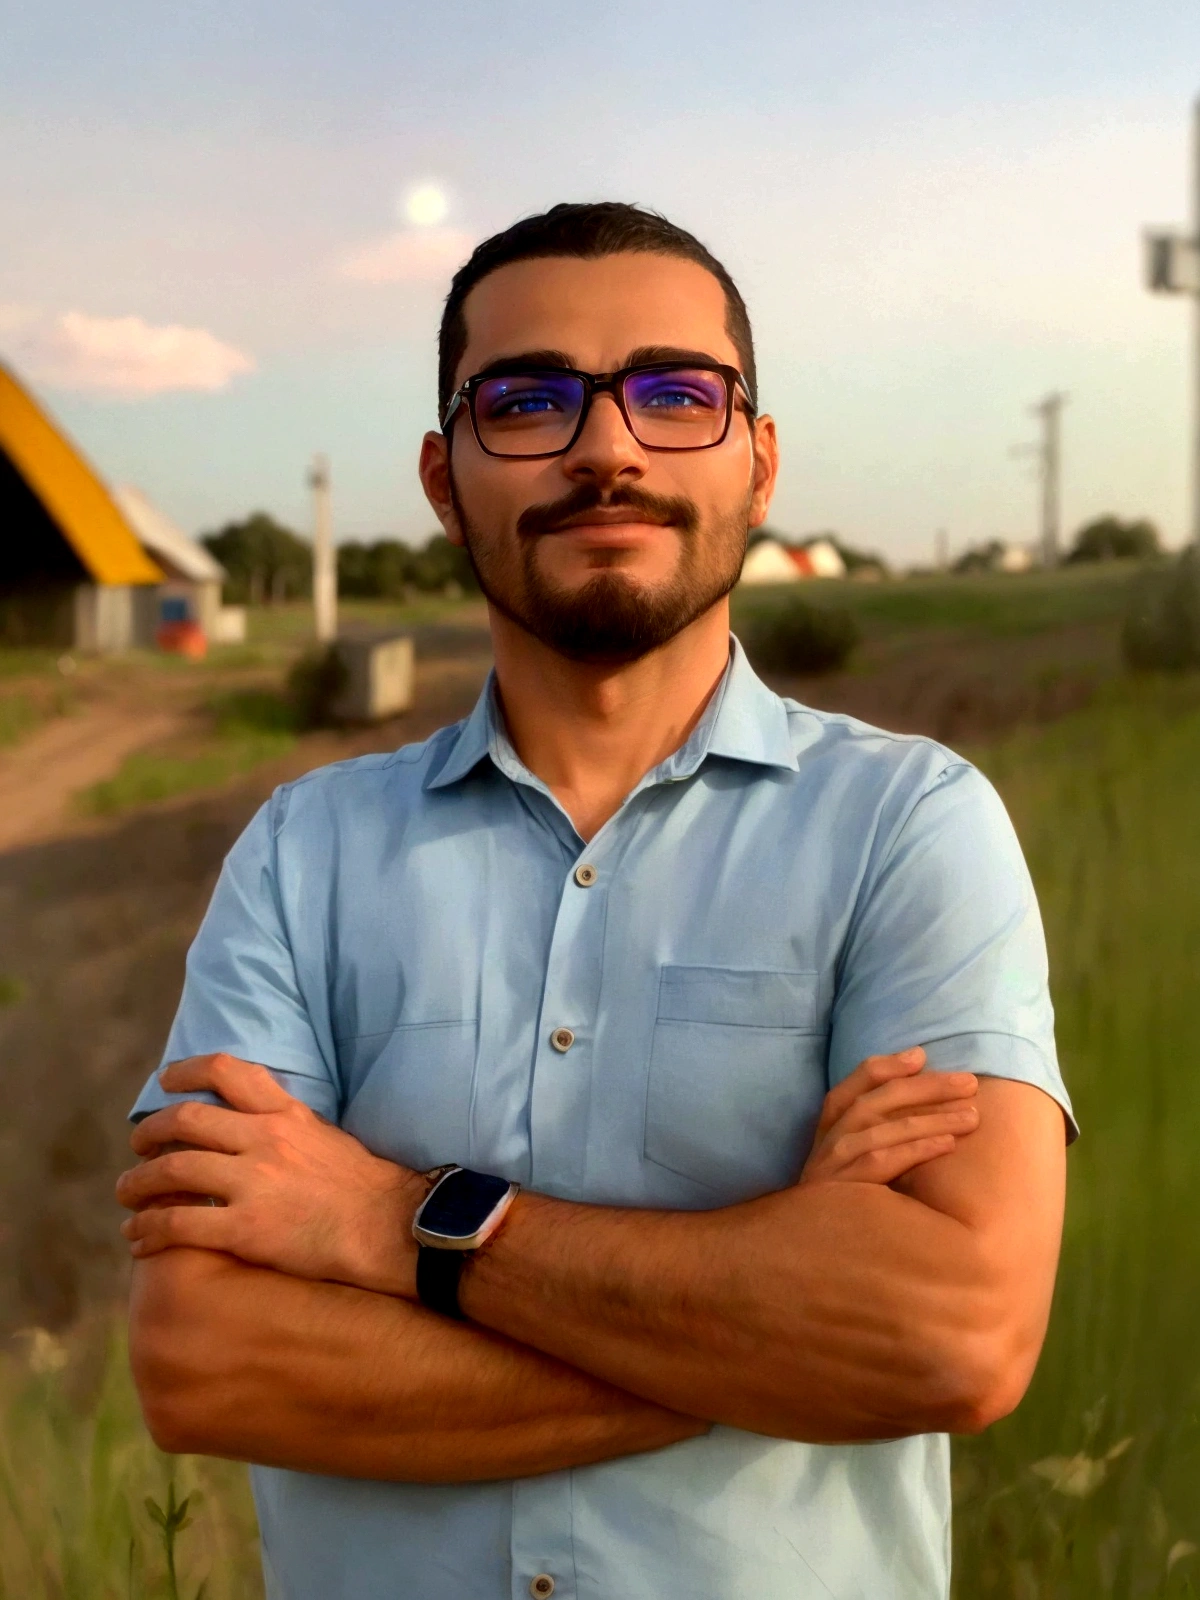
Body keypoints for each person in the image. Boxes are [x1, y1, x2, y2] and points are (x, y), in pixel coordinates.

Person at [118, 202, 1074, 1600]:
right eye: (531, 401)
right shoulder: (300, 853)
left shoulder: (909, 829)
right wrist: (766, 1322)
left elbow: (952, 1339)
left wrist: (389, 1223)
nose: (607, 447)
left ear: (760, 463)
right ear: (446, 484)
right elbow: (202, 1361)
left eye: (678, 394)